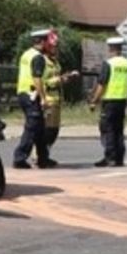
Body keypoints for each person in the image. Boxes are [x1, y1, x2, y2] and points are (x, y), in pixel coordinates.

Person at [13, 28, 58, 169]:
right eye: (47, 41)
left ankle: (43, 158)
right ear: (43, 42)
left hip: (23, 93)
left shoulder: (26, 54)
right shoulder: (38, 57)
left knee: (39, 128)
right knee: (32, 127)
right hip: (32, 94)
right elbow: (37, 78)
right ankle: (19, 157)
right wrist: (44, 98)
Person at [89, 36, 127, 167]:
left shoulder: (108, 64)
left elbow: (102, 84)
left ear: (111, 48)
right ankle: (119, 158)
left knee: (108, 129)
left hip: (109, 101)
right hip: (122, 100)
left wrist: (94, 101)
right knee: (119, 130)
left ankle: (110, 157)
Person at [41, 32, 81, 153]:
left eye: (56, 46)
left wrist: (67, 77)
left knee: (54, 130)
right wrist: (60, 79)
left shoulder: (55, 62)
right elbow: (42, 81)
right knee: (46, 131)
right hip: (47, 99)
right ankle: (38, 156)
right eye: (53, 46)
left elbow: (57, 78)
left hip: (56, 99)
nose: (56, 49)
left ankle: (45, 154)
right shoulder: (42, 61)